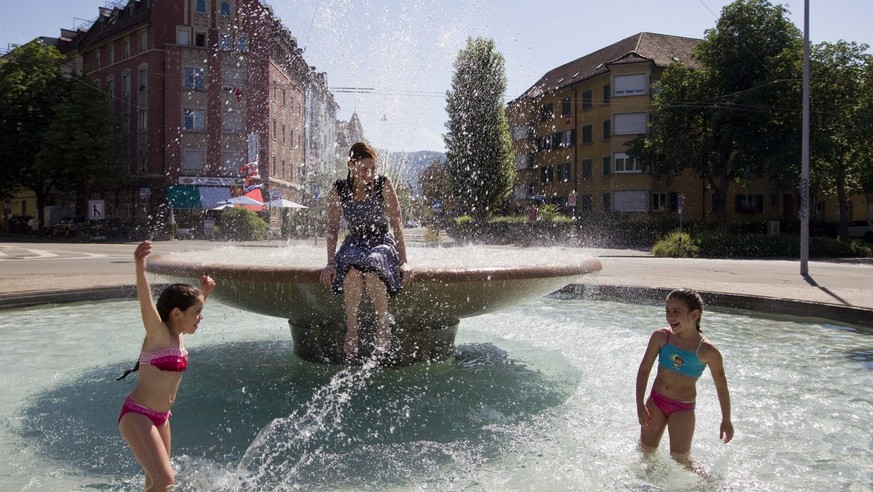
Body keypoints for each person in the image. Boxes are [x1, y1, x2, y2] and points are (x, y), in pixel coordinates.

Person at [116, 240, 215, 490]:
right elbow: (146, 304)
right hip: (138, 415)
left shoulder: (180, 333)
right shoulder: (158, 334)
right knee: (165, 479)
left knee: (157, 482)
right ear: (176, 314)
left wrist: (204, 292)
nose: (200, 318)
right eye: (197, 313)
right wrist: (140, 267)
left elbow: (192, 305)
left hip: (161, 418)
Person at [319, 141, 413, 359]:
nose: (370, 173)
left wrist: (404, 261)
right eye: (364, 168)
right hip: (354, 241)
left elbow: (397, 222)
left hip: (380, 241)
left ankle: (383, 328)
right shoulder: (339, 189)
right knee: (351, 271)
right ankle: (352, 330)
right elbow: (332, 228)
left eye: (373, 168)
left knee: (372, 267)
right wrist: (330, 263)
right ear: (351, 165)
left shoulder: (383, 184)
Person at [635, 288, 733, 464]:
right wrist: (640, 405)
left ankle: (710, 486)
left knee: (681, 460)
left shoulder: (707, 351)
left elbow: (721, 387)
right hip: (656, 401)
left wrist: (726, 420)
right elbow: (644, 370)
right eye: (667, 311)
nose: (670, 317)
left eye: (676, 312)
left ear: (694, 315)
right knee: (646, 452)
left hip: (682, 408)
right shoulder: (661, 337)